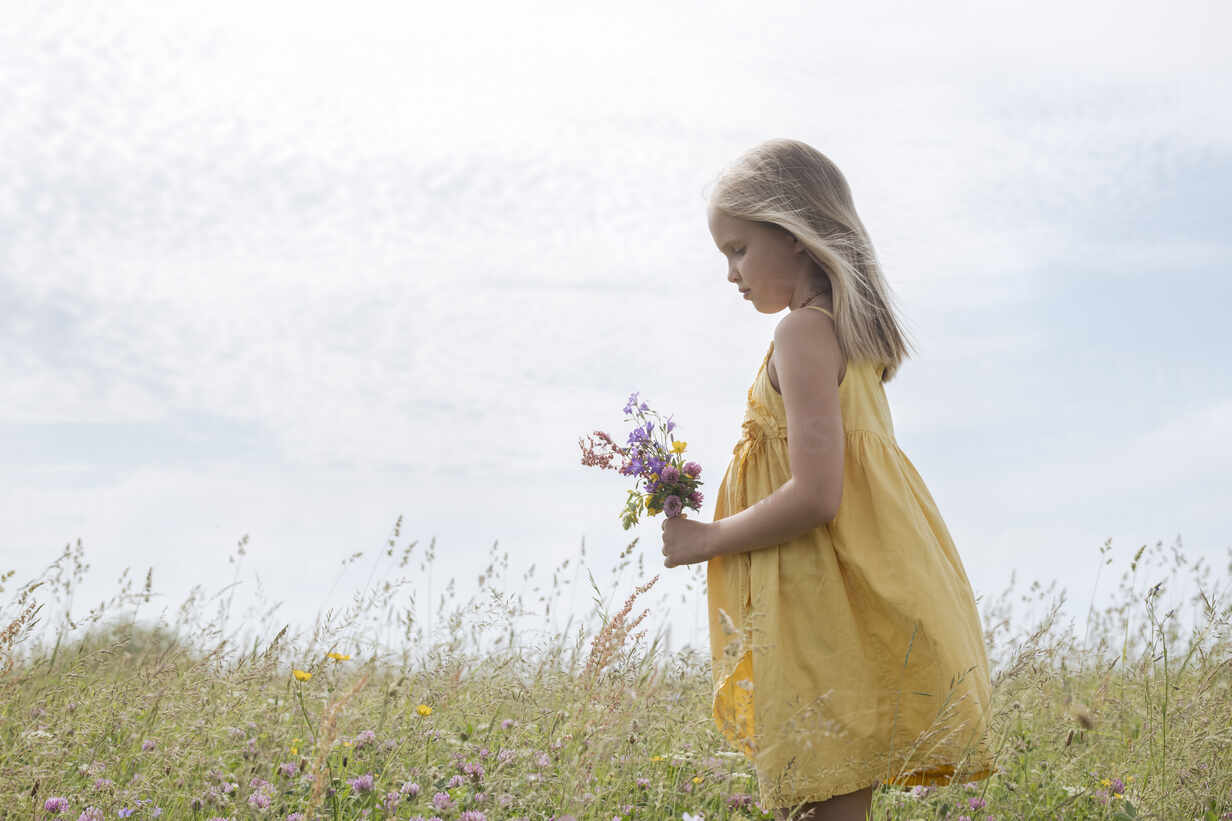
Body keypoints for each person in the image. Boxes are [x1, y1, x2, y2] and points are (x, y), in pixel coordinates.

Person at [661, 139, 998, 821]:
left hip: (821, 597)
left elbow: (818, 493)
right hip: (850, 585)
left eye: (738, 249)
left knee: (819, 803)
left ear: (795, 236)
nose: (731, 273)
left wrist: (709, 537)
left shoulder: (803, 334)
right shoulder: (847, 335)